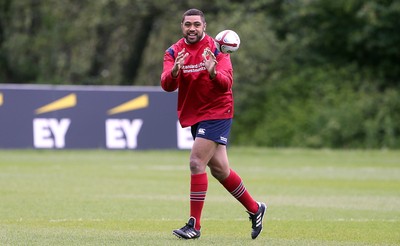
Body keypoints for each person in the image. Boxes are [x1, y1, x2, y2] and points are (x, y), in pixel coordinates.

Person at [160, 8, 267, 240]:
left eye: (196, 24)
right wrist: (176, 71)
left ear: (204, 27)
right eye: (188, 24)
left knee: (196, 162)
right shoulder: (173, 51)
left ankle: (194, 226)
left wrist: (212, 72)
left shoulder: (217, 49)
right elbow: (167, 85)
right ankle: (255, 208)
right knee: (220, 170)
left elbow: (226, 83)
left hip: (218, 111)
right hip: (195, 114)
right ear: (182, 26)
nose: (192, 28)